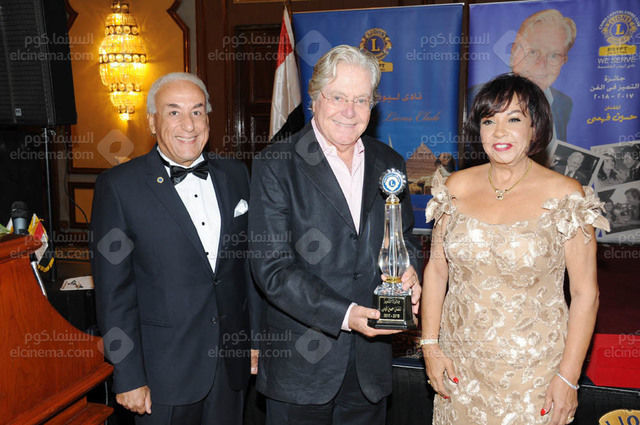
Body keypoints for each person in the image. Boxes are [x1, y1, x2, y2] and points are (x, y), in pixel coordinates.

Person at [421, 73, 609, 425]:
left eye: (514, 119)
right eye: (488, 121)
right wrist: (430, 345)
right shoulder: (455, 187)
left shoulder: (567, 196)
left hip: (534, 375)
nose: (499, 132)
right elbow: (437, 270)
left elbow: (586, 294)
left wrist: (569, 377)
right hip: (459, 369)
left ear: (535, 127)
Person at [248, 45, 422, 425]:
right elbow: (272, 269)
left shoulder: (389, 162)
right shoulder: (275, 164)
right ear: (315, 99)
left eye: (361, 100)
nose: (350, 110)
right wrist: (346, 315)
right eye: (339, 97)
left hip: (370, 371)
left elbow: (405, 237)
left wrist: (410, 272)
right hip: (300, 371)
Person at [91, 72, 260, 425]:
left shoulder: (236, 175)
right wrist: (127, 375)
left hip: (230, 368)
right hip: (161, 376)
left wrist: (254, 341)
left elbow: (249, 270)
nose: (189, 124)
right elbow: (113, 294)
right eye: (174, 112)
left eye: (197, 111)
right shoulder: (119, 187)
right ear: (152, 122)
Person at [468, 9, 576, 145]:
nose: (541, 64)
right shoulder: (475, 97)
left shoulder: (563, 103)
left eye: (554, 55)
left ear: (563, 60)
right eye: (533, 52)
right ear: (514, 51)